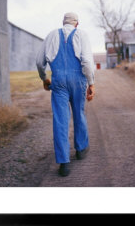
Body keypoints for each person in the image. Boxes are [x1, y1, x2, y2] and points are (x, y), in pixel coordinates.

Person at [36, 12, 95, 177]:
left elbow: (39, 61)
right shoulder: (82, 35)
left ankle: (63, 163)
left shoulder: (51, 35)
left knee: (60, 120)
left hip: (58, 81)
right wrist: (91, 83)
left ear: (63, 23)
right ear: (77, 24)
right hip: (78, 80)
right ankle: (81, 149)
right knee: (79, 114)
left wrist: (44, 78)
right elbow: (87, 62)